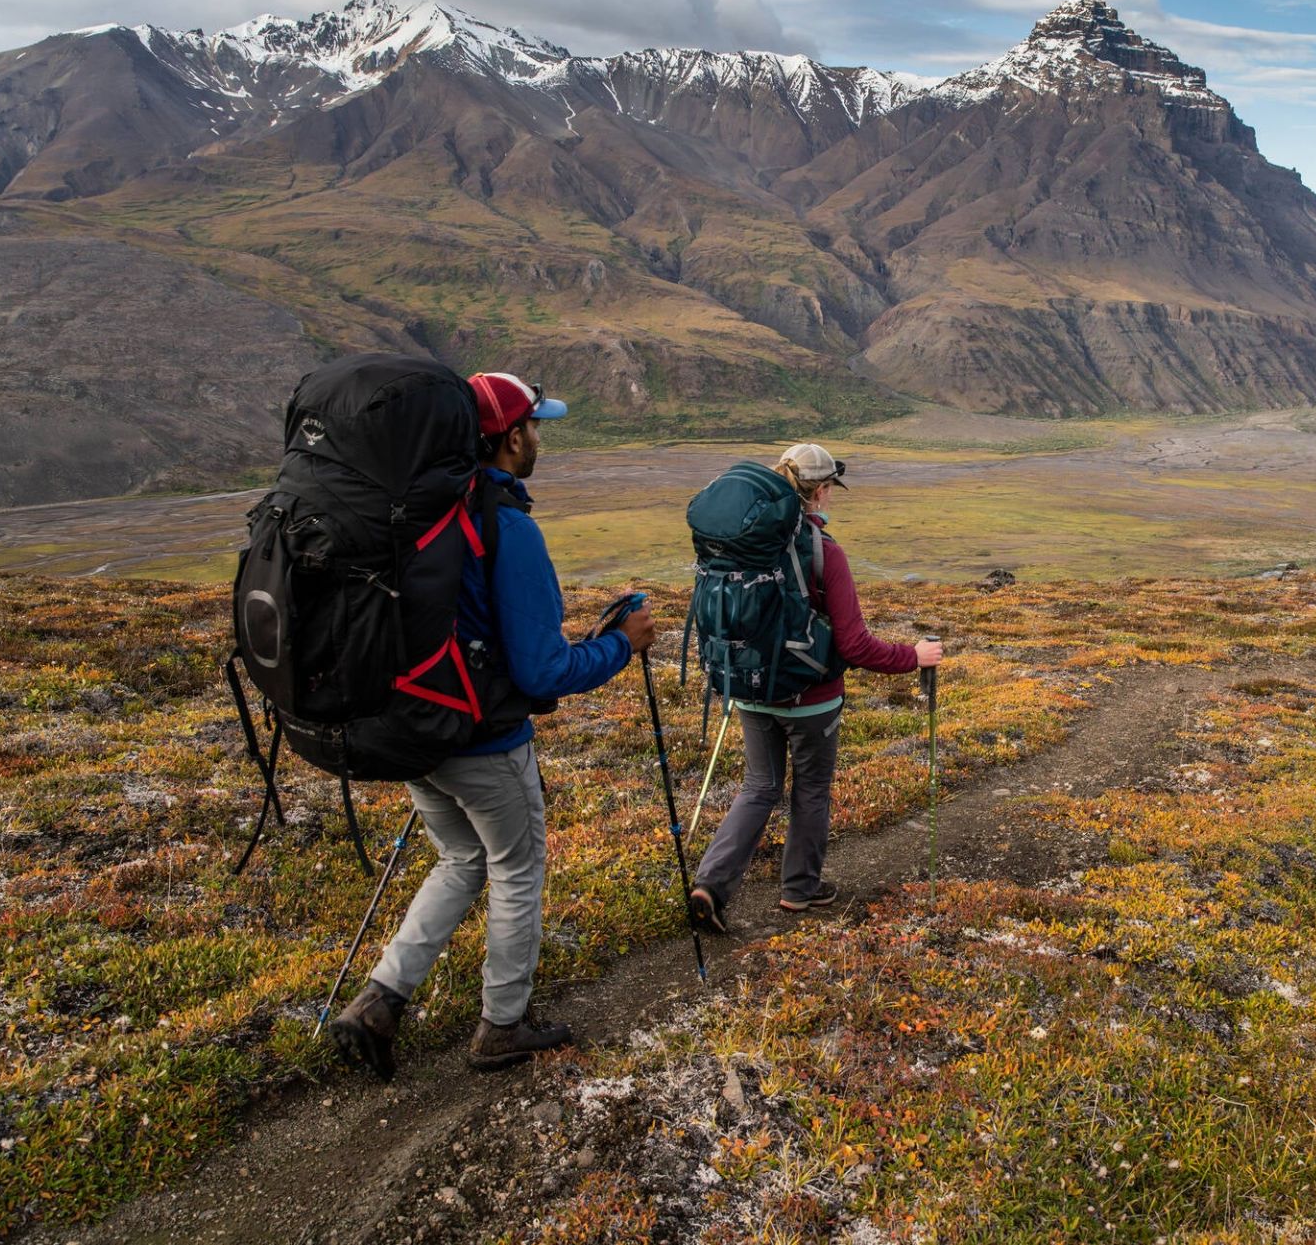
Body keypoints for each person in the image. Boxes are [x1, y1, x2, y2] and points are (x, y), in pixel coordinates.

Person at [331, 371, 655, 1080]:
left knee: (461, 860)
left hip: (418, 731)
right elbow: (541, 672)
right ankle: (502, 1026)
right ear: (511, 437)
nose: (540, 438)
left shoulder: (424, 513)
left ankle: (380, 1001)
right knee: (516, 868)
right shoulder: (505, 524)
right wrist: (621, 646)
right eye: (536, 426)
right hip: (485, 742)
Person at [687, 443, 944, 931]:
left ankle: (711, 884)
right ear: (821, 491)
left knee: (759, 787)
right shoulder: (826, 554)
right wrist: (914, 657)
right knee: (811, 791)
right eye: (829, 489)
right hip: (812, 703)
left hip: (749, 688)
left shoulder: (742, 546)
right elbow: (856, 646)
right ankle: (800, 890)